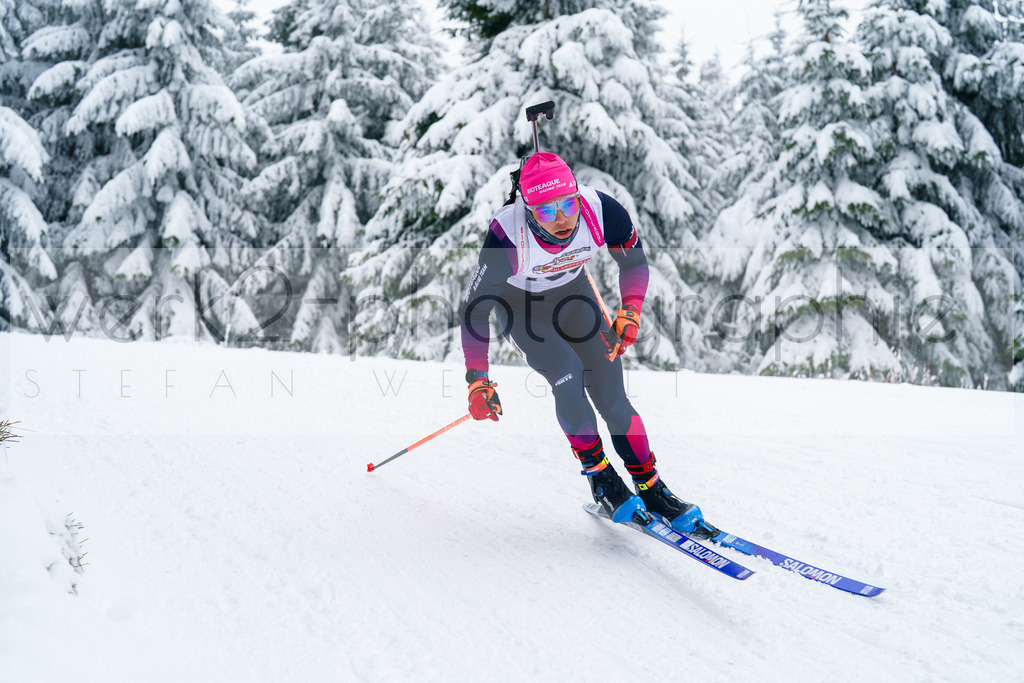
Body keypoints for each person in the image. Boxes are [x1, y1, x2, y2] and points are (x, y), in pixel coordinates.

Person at [460, 151, 716, 537]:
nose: (562, 218)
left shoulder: (601, 211)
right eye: (547, 212)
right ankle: (601, 478)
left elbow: (633, 264)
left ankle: (651, 487)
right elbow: (475, 311)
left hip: (574, 297)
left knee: (612, 394)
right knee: (567, 372)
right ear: (528, 210)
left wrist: (630, 310)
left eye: (568, 204)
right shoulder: (506, 236)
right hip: (520, 308)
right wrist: (478, 380)